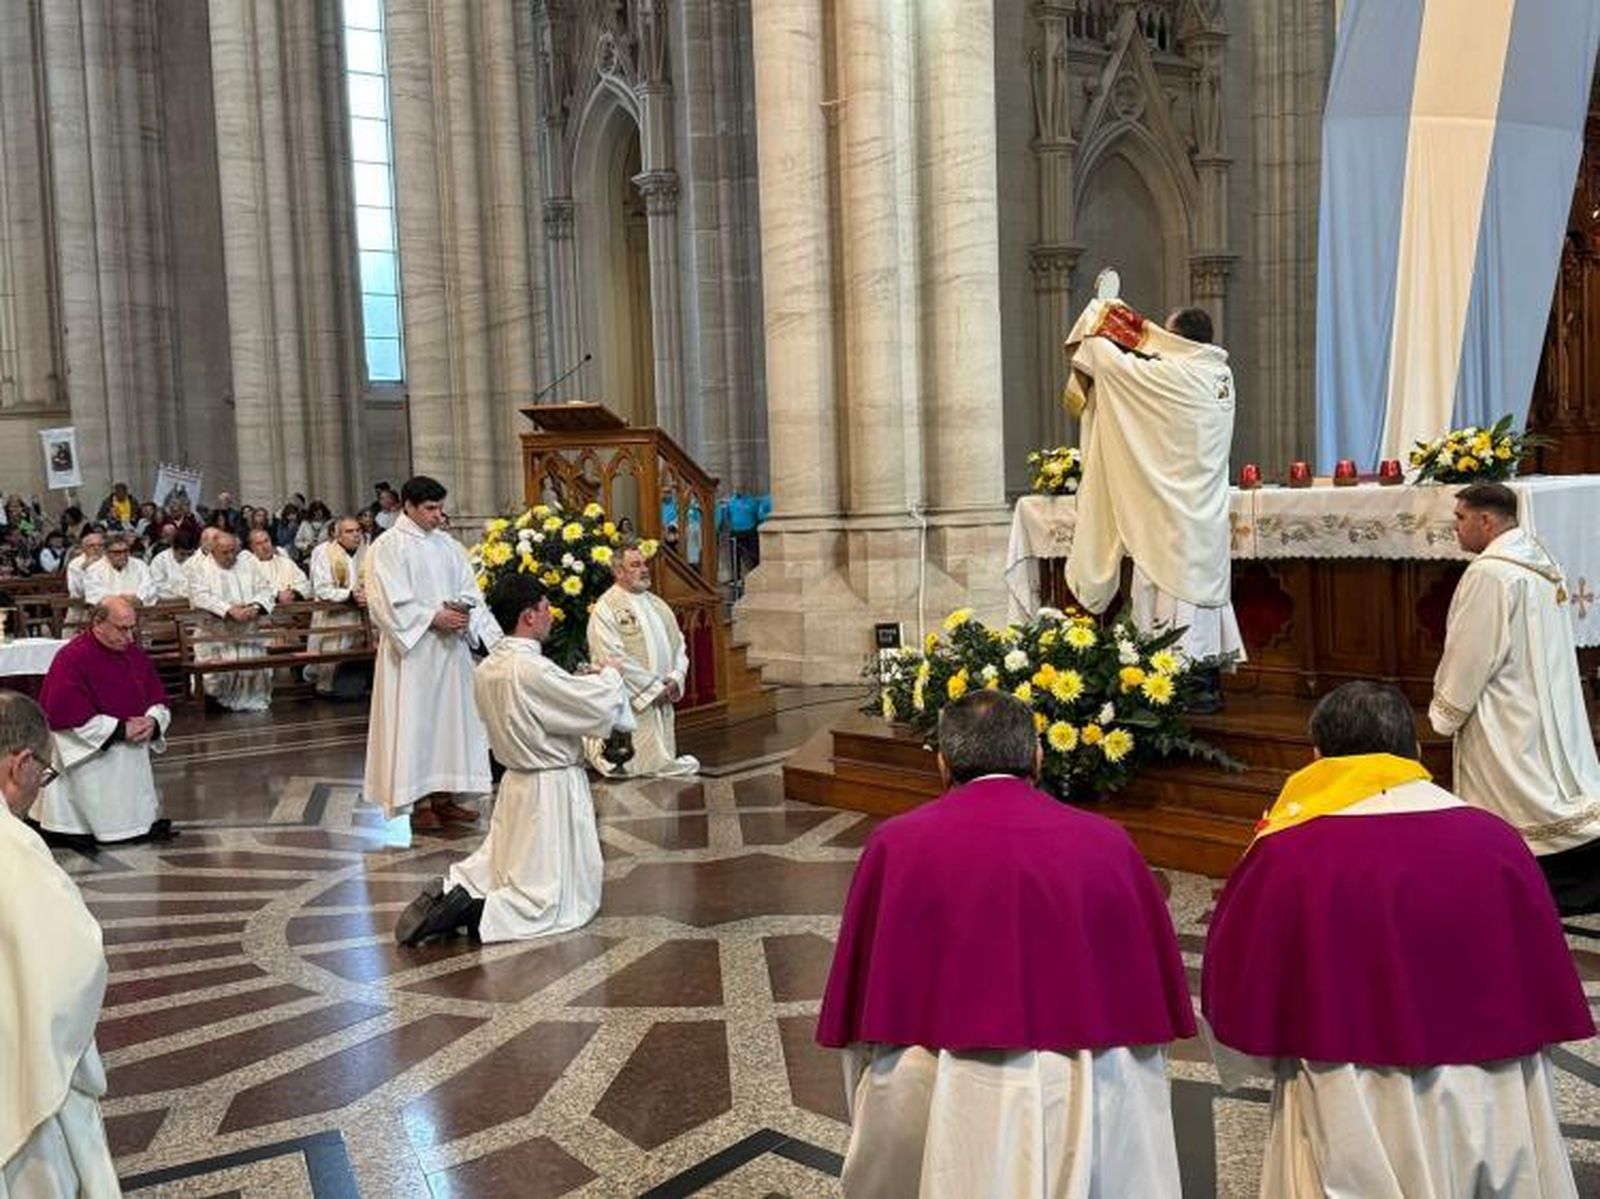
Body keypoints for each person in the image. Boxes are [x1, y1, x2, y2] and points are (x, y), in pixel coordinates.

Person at [1203, 680, 1592, 1197]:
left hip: (1349, 1095)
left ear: (1318, 757)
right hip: (1493, 1091)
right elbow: (1541, 966)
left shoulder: (1289, 854)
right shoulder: (1494, 839)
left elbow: (1237, 988)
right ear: (1411, 750)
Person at [818, 691, 1194, 1197]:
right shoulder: (1107, 841)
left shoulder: (896, 843)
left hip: (937, 1079)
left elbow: (862, 1000)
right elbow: (1145, 982)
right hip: (1084, 1082)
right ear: (1038, 756)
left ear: (942, 764)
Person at [396, 575, 633, 946]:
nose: (551, 615)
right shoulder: (531, 668)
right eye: (544, 608)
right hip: (550, 788)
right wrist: (612, 677)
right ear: (528, 616)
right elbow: (590, 706)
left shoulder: (489, 667)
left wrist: (579, 682)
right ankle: (478, 912)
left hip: (516, 783)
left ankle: (454, 892)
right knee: (554, 896)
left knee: (507, 866)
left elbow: (545, 706)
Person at [1062, 297, 1242, 707]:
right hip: (1205, 512)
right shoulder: (1219, 374)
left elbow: (1113, 367)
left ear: (1177, 341)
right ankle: (1205, 681)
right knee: (1198, 598)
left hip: (1174, 516)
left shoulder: (1179, 375)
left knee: (1171, 596)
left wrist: (1098, 319)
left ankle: (1179, 690)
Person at [1430, 481, 1600, 914]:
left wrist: (1445, 713)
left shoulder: (1490, 573)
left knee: (1511, 805)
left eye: (1461, 518)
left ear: (1486, 521)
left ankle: (1513, 890)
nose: (1456, 528)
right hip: (1538, 700)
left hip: (1504, 706)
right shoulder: (1539, 559)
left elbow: (1471, 653)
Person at [0, 693, 120, 1198]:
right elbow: (73, 964)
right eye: (43, 774)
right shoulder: (12, 845)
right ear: (20, 764)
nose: (37, 789)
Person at [364, 476, 501, 832]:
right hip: (414, 655)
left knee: (451, 725)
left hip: (451, 650)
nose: (438, 515)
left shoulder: (449, 545)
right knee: (417, 725)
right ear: (407, 506)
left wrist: (463, 612)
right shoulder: (388, 546)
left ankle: (446, 798)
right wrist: (431, 617)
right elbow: (384, 602)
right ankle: (420, 802)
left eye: (440, 508)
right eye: (430, 509)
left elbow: (470, 590)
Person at [33, 597, 174, 846]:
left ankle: (133, 823)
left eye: (132, 628)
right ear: (98, 623)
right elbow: (65, 717)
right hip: (91, 758)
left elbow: (158, 698)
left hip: (131, 758)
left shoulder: (134, 655)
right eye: (122, 629)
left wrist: (153, 721)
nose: (130, 637)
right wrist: (120, 729)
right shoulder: (72, 658)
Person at [586, 542, 698, 777]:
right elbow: (612, 657)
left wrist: (676, 678)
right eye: (635, 565)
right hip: (635, 703)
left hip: (662, 696)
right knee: (636, 767)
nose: (644, 569)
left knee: (661, 762)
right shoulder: (606, 608)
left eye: (644, 563)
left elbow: (679, 646)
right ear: (619, 572)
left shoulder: (658, 604)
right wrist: (653, 688)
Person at [188, 532, 275, 711]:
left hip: (248, 631)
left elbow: (265, 588)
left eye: (233, 551)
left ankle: (251, 700)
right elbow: (199, 596)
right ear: (213, 551)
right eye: (224, 552)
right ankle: (217, 703)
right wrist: (228, 610)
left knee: (252, 667)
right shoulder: (200, 567)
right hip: (216, 634)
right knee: (216, 676)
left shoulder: (248, 562)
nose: (230, 556)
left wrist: (256, 607)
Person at [307, 516, 370, 698]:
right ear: (338, 535)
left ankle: (359, 686)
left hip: (362, 615)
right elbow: (322, 588)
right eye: (350, 531)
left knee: (359, 654)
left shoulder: (368, 552)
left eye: (358, 530)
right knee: (333, 653)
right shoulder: (325, 553)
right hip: (334, 616)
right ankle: (326, 687)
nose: (356, 535)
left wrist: (368, 593)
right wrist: (349, 595)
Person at [83, 534, 156, 606]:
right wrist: (120, 599)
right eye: (117, 552)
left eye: (125, 551)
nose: (122, 556)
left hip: (139, 609)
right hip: (109, 612)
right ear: (106, 552)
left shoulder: (140, 565)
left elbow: (149, 586)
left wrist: (139, 598)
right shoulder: (94, 569)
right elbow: (95, 593)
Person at [247, 528, 310, 604]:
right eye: (259, 544)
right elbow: (251, 591)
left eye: (266, 541)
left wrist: (293, 593)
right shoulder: (248, 566)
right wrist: (277, 595)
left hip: (290, 610)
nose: (264, 547)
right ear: (252, 547)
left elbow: (304, 583)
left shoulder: (286, 563)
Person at [149, 525, 199, 601]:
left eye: (189, 554)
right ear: (173, 548)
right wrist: (179, 592)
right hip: (168, 604)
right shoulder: (160, 560)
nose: (186, 558)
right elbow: (156, 586)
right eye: (182, 554)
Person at [64, 530, 105, 601]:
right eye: (91, 545)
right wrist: (84, 569)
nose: (96, 548)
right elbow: (77, 591)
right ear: (84, 548)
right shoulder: (75, 564)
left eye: (100, 545)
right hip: (80, 604)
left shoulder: (108, 561)